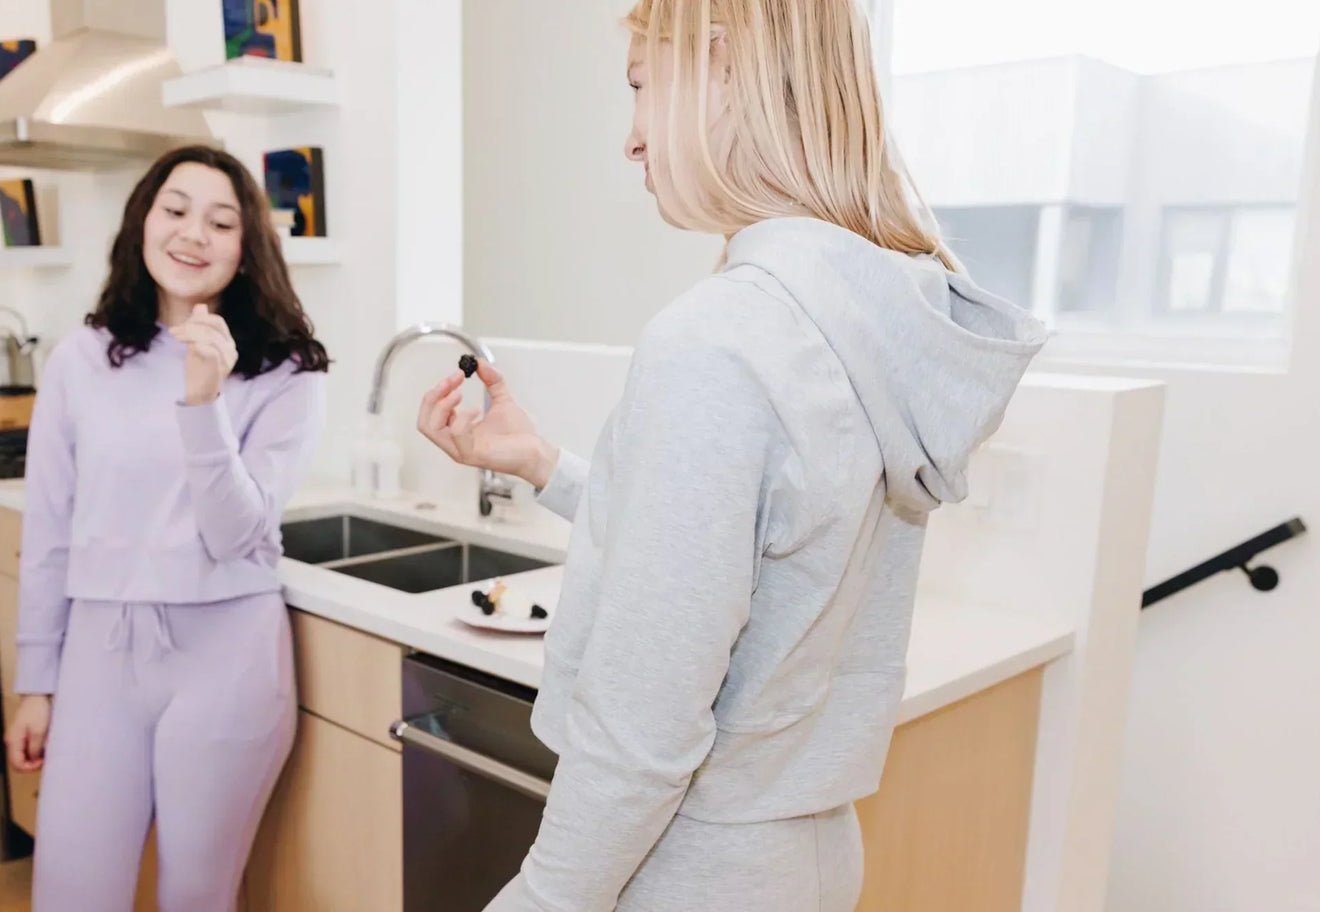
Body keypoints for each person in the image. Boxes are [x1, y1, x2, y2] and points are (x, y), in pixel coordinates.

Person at [417, 1, 1047, 909]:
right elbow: (750, 553)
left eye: (640, 88)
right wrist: (546, 467)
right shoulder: (863, 316)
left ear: (720, 68)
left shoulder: (716, 338)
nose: (633, 141)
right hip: (804, 850)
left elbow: (645, 725)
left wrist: (543, 899)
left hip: (689, 866)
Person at [3, 145, 330, 912]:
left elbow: (234, 534)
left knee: (196, 896)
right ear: (142, 223)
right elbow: (48, 527)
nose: (193, 234)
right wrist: (34, 682)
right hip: (98, 654)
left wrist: (204, 400)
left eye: (222, 222)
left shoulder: (289, 372)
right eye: (175, 210)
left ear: (247, 249)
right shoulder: (83, 359)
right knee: (71, 891)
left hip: (229, 661)